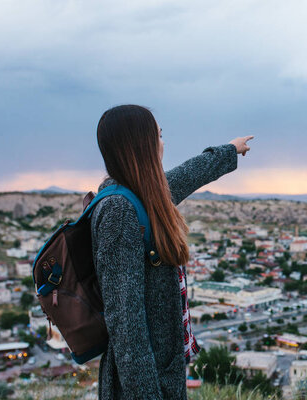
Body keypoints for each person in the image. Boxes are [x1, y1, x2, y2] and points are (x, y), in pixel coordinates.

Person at [90, 104, 253, 399]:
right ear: (142, 144)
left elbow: (187, 176)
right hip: (144, 386)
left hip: (161, 374)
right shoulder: (118, 210)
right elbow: (126, 325)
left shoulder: (139, 196)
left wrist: (229, 150)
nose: (163, 144)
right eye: (159, 136)